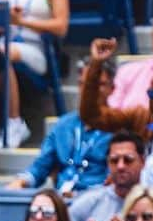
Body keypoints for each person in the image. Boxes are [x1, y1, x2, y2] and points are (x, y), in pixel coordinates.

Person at [0, 0, 70, 148]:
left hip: (36, 50)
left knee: (1, 52)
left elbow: (61, 26)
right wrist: (3, 21)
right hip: (7, 43)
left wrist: (23, 22)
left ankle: (14, 121)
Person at [13, 58, 112, 194]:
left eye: (99, 84)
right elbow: (40, 167)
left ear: (112, 88)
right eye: (85, 84)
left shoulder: (119, 128)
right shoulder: (64, 125)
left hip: (97, 200)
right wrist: (20, 182)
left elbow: (114, 183)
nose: (91, 90)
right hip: (60, 201)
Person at [68, 129, 146, 221]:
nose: (120, 166)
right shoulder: (87, 203)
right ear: (108, 163)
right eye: (114, 160)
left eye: (128, 160)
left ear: (143, 162)